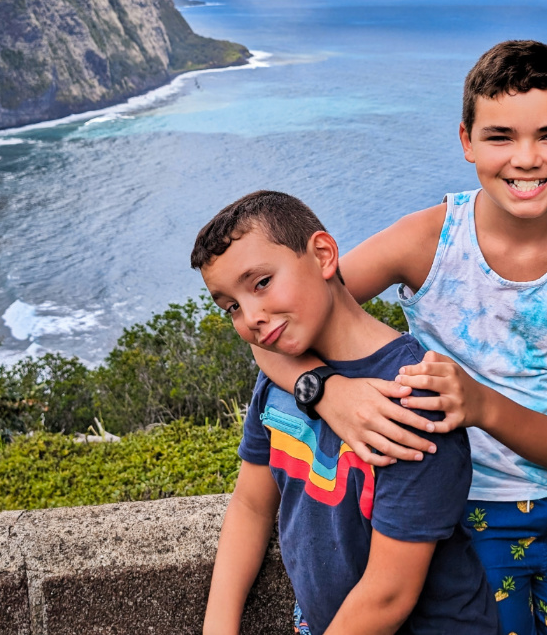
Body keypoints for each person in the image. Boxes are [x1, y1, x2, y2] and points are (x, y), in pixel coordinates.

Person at [254, 41, 547, 634]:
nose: (527, 158)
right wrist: (328, 391)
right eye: (499, 137)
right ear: (465, 141)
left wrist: (481, 404)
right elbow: (278, 328)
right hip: (453, 521)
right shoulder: (429, 240)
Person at [192, 191, 499, 635]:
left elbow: (388, 594)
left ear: (323, 254)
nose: (252, 317)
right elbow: (251, 505)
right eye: (232, 307)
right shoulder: (279, 378)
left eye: (261, 283)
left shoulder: (414, 396)